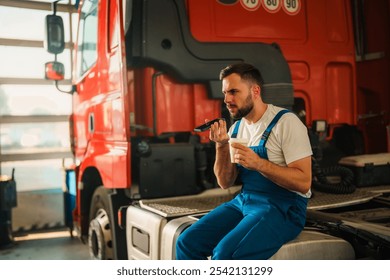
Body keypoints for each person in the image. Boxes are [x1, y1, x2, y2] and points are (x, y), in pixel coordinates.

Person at [176, 63, 313, 260]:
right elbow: (225, 182)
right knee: (187, 242)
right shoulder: (236, 129)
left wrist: (259, 163)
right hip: (245, 201)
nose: (227, 100)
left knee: (224, 255)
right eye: (225, 93)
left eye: (233, 92)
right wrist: (221, 145)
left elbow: (303, 182)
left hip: (283, 208)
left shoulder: (286, 123)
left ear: (255, 91)